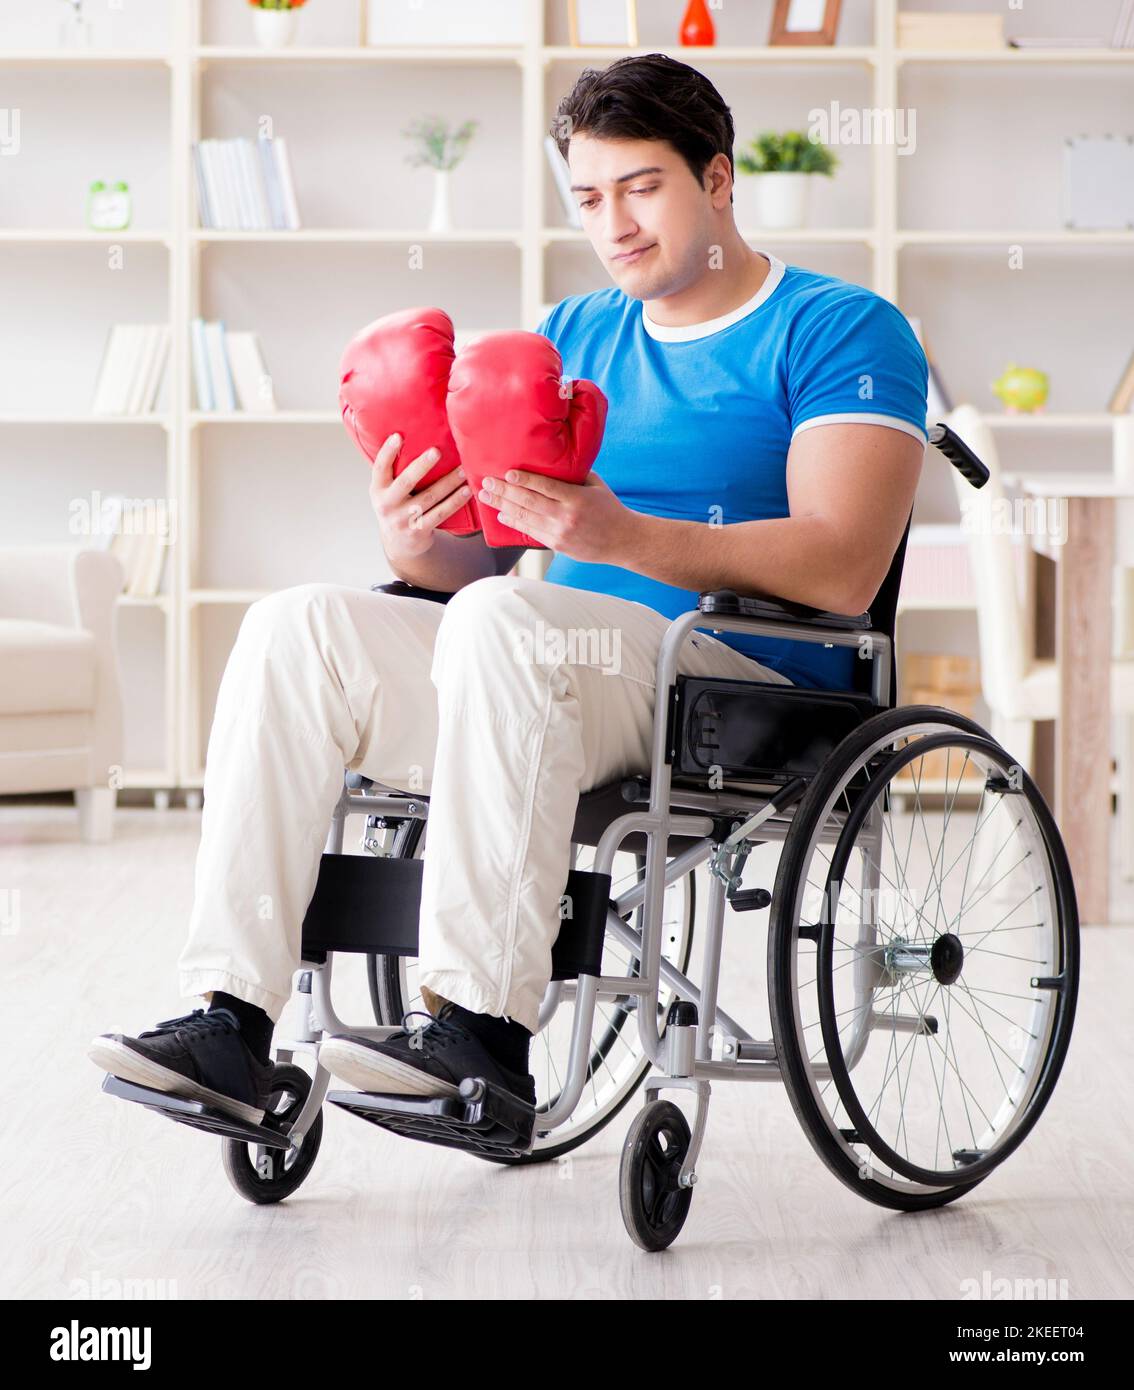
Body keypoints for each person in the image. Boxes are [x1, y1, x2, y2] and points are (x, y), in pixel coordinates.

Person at [89, 53, 927, 1125]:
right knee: (294, 624)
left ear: (718, 181)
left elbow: (843, 562)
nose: (614, 223)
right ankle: (230, 1024)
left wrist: (621, 534)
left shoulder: (839, 327)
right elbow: (474, 567)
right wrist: (415, 535)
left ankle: (480, 1035)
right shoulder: (571, 334)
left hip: (728, 685)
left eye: (642, 188)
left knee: (504, 620)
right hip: (529, 666)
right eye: (587, 197)